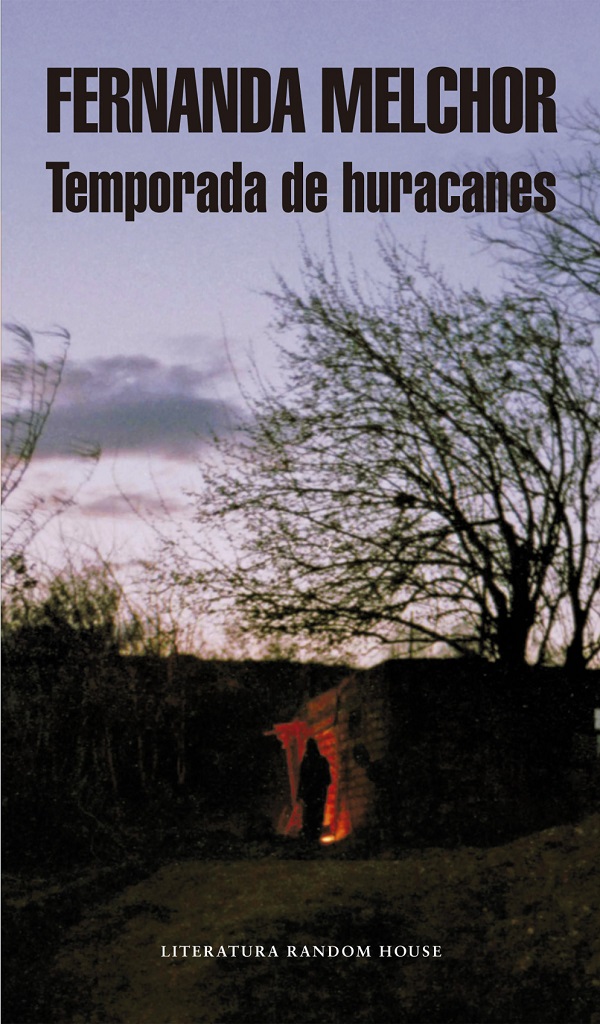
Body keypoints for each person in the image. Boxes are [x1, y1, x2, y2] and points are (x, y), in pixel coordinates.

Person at [297, 738, 331, 841]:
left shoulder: (308, 762)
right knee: (315, 816)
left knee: (311, 816)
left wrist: (300, 794)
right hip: (316, 795)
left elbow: (302, 780)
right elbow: (327, 780)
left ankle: (312, 837)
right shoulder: (319, 761)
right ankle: (313, 837)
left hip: (312, 795)